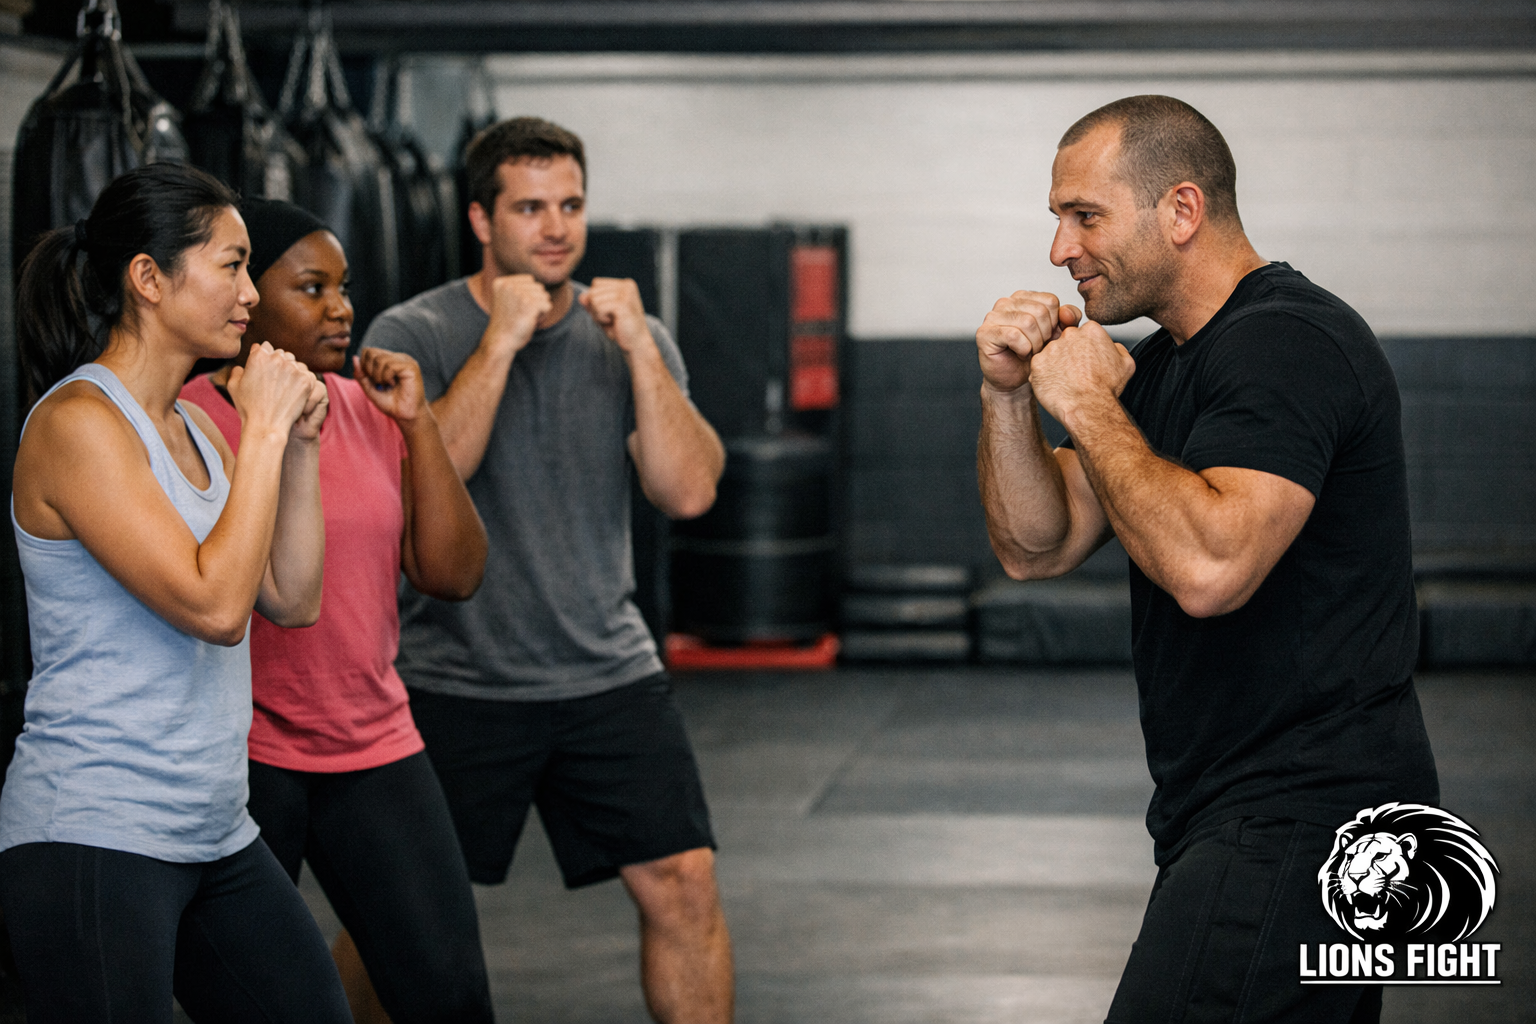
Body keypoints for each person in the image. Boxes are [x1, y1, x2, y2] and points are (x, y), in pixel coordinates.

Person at [974, 95, 1438, 1023]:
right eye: (1057, 220)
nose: (1060, 250)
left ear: (1181, 211)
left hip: (1307, 817)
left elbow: (1210, 569)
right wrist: (1009, 398)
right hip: (1238, 811)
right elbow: (1036, 545)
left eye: (1085, 216)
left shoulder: (1288, 342)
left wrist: (1092, 409)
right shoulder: (1164, 369)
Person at [361, 116, 732, 1024]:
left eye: (569, 205)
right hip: (453, 676)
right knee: (401, 919)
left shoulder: (627, 334)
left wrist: (643, 346)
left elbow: (687, 491)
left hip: (607, 668)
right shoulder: (414, 330)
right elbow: (413, 485)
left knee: (684, 883)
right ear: (482, 220)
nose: (557, 227)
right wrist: (501, 342)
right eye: (530, 208)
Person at [0, 164, 352, 1022]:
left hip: (214, 829)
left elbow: (288, 597)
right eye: (231, 266)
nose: (247, 292)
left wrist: (296, 445)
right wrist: (263, 426)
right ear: (149, 279)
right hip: (94, 833)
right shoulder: (78, 424)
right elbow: (214, 608)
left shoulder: (196, 426)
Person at [180, 198, 494, 1024]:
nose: (342, 307)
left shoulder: (363, 407)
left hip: (375, 747)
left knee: (452, 999)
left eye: (344, 287)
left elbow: (453, 573)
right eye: (312, 287)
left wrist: (417, 421)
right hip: (249, 756)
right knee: (259, 1007)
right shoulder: (188, 422)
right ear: (246, 296)